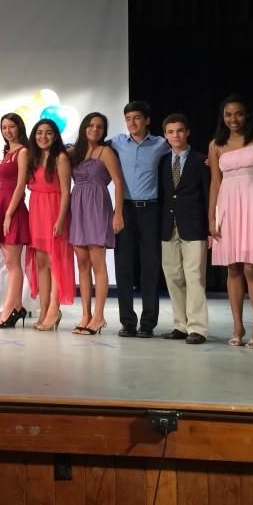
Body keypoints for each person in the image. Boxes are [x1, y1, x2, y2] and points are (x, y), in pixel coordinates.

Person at [208, 95, 253, 349]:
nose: (233, 119)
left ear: (248, 114)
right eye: (228, 114)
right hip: (228, 205)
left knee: (252, 267)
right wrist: (211, 216)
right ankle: (237, 326)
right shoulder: (216, 144)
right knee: (232, 267)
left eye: (238, 114)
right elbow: (215, 182)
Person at [110, 101, 170, 338]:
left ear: (146, 120)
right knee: (123, 267)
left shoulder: (161, 144)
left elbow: (181, 152)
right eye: (128, 118)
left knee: (150, 268)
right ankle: (127, 322)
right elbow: (90, 147)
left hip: (150, 211)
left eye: (136, 118)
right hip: (124, 211)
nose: (131, 123)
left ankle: (148, 324)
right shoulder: (116, 143)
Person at [68, 112, 124, 335]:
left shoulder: (106, 151)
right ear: (84, 127)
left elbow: (118, 182)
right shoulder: (75, 152)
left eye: (100, 126)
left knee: (97, 262)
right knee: (82, 264)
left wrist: (118, 213)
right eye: (90, 125)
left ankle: (99, 316)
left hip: (97, 206)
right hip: (77, 207)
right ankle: (86, 314)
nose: (94, 129)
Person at [158, 114, 210, 345]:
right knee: (173, 276)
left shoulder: (202, 161)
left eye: (179, 130)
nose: (175, 135)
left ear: (187, 132)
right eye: (170, 132)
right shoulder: (161, 161)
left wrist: (209, 227)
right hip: (168, 226)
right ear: (165, 135)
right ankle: (180, 324)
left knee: (194, 276)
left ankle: (197, 327)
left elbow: (208, 194)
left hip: (194, 225)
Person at [26, 118, 74, 331]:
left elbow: (65, 191)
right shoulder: (34, 158)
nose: (43, 137)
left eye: (48, 133)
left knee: (56, 263)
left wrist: (61, 219)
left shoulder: (61, 158)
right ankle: (44, 310)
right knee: (41, 264)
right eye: (39, 132)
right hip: (36, 212)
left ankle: (55, 310)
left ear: (55, 136)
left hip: (54, 212)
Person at [0, 113, 31, 329]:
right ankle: (18, 307)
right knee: (10, 263)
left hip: (13, 209)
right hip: (2, 205)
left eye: (12, 126)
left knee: (14, 264)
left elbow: (21, 185)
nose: (8, 130)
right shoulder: (7, 153)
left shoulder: (23, 152)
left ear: (19, 128)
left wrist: (8, 214)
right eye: (4, 127)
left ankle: (7, 311)